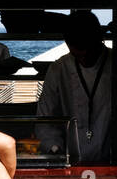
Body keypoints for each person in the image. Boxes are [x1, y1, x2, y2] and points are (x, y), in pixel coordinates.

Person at [36, 10, 112, 164]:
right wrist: (54, 149)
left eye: (89, 53)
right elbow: (46, 119)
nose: (84, 59)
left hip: (112, 159)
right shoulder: (59, 69)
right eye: (78, 55)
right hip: (70, 159)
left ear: (100, 40)